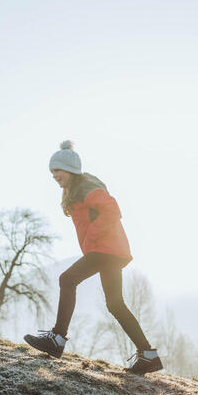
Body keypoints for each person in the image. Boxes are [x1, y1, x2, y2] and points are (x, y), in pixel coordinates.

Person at [24, 141, 163, 375]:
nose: (54, 176)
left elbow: (112, 210)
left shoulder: (87, 187)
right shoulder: (75, 190)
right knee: (115, 304)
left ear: (71, 169)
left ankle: (57, 338)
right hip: (110, 250)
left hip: (105, 248)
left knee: (67, 279)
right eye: (52, 172)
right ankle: (148, 355)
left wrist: (91, 238)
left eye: (58, 171)